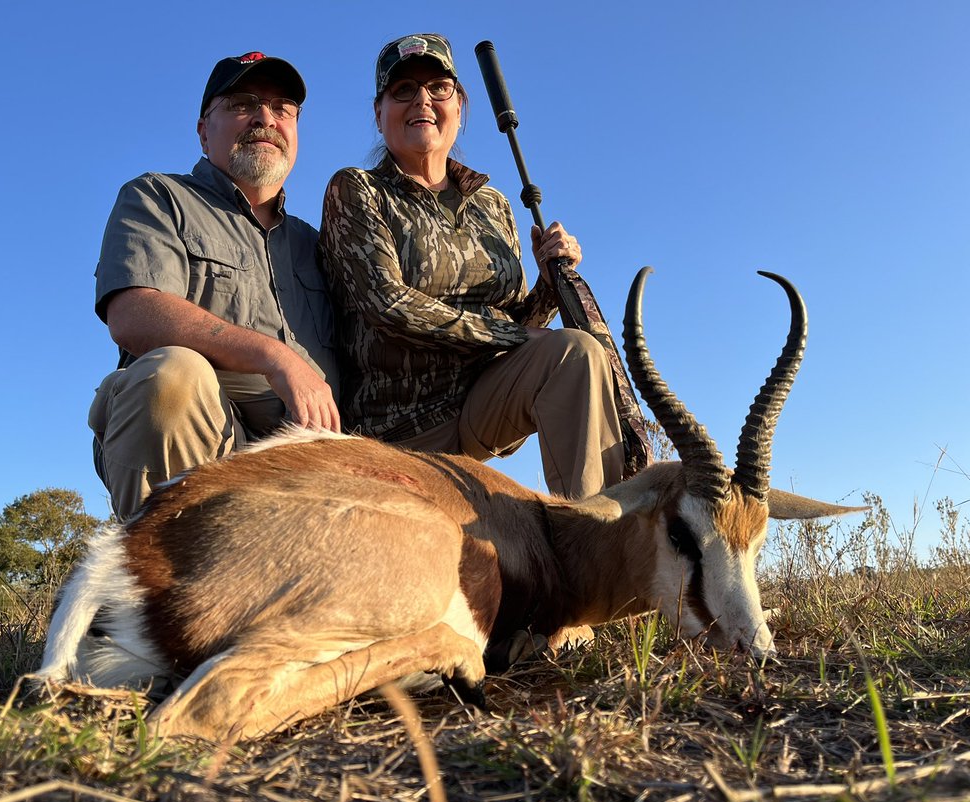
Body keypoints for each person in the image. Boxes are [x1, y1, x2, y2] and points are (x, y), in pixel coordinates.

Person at [320, 33, 625, 500]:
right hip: (401, 426)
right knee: (567, 348)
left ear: (459, 107)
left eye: (438, 88)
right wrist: (517, 335)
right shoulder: (355, 190)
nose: (421, 99)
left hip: (482, 407)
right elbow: (388, 305)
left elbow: (516, 321)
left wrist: (546, 288)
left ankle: (596, 528)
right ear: (379, 114)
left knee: (578, 352)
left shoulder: (494, 204)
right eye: (403, 90)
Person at [90, 52, 340, 520]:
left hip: (313, 464)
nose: (265, 118)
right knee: (170, 377)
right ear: (204, 131)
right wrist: (275, 356)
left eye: (283, 108)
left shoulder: (319, 243)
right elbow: (134, 313)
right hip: (204, 453)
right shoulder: (158, 197)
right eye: (243, 104)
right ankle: (165, 579)